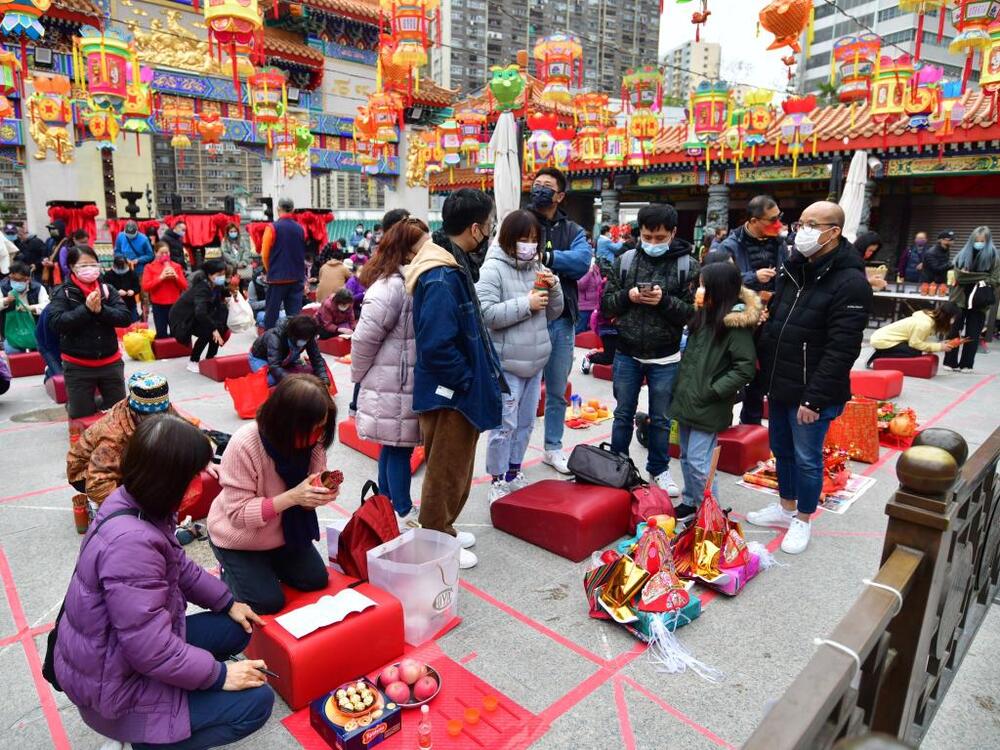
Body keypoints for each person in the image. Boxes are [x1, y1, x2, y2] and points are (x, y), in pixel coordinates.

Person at [55, 414, 274, 749]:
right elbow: (151, 650)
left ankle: (177, 704)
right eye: (194, 475)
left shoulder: (135, 500)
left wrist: (228, 602)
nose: (201, 482)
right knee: (256, 704)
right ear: (170, 479)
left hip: (122, 657)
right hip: (117, 689)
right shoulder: (131, 546)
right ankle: (149, 741)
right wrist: (219, 676)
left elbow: (179, 566)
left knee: (235, 627)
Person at [749, 201, 872, 554]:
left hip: (812, 391)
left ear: (833, 232)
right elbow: (778, 319)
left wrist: (815, 398)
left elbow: (842, 349)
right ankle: (786, 508)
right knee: (781, 450)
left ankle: (803, 518)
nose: (801, 231)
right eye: (800, 223)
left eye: (811, 225)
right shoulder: (794, 268)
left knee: (807, 457)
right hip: (780, 379)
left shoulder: (850, 282)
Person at [406, 189, 506, 569]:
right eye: (490, 224)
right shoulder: (442, 275)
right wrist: (465, 381)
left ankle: (443, 525)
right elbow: (435, 346)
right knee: (445, 468)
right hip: (449, 392)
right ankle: (434, 537)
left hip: (458, 388)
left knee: (457, 465)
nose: (492, 231)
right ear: (478, 228)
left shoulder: (453, 262)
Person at [209, 376, 337, 614]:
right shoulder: (246, 443)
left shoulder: (313, 442)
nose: (316, 436)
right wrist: (293, 497)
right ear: (285, 421)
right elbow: (238, 514)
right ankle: (230, 573)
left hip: (282, 535)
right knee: (267, 603)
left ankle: (264, 567)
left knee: (316, 580)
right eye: (310, 429)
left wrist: (318, 495)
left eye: (321, 427)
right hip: (239, 538)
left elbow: (305, 500)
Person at [601, 204, 698, 496]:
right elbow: (606, 305)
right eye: (647, 237)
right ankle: (618, 463)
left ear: (672, 233)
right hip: (627, 351)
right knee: (622, 413)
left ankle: (659, 468)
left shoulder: (688, 265)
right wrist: (628, 296)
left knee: (661, 418)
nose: (653, 243)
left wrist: (664, 301)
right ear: (639, 233)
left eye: (659, 237)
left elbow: (692, 314)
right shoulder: (625, 260)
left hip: (666, 355)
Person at [476, 210, 564, 504]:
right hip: (507, 363)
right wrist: (526, 304)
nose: (529, 245)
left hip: (536, 360)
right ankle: (497, 478)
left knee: (526, 422)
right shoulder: (493, 269)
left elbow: (554, 312)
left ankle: (514, 471)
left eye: (534, 240)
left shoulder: (537, 266)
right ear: (508, 239)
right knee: (504, 425)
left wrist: (555, 287)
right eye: (523, 239)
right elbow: (486, 314)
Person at [669, 262, 760, 522]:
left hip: (708, 403)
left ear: (718, 290)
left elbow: (745, 368)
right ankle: (690, 501)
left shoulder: (734, 324)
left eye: (703, 285)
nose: (698, 290)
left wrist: (712, 391)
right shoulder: (704, 316)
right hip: (689, 399)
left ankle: (712, 514)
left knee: (700, 462)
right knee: (686, 457)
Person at [351, 217, 427, 525]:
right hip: (393, 382)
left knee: (391, 446)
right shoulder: (392, 286)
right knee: (400, 449)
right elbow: (364, 338)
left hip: (397, 379)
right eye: (424, 243)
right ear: (407, 250)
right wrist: (360, 376)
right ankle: (403, 510)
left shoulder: (407, 280)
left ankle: (386, 504)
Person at [527, 167, 592, 474]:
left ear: (560, 195)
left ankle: (553, 448)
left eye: (546, 186)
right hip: (526, 316)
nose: (539, 190)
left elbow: (582, 263)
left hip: (562, 318)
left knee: (556, 389)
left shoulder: (573, 230)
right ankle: (514, 452)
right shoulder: (521, 221)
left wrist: (547, 258)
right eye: (536, 185)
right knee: (522, 390)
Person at [719, 196, 785, 425]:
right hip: (739, 317)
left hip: (769, 318)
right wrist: (753, 279)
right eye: (773, 219)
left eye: (779, 217)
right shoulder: (730, 245)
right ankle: (721, 423)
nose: (778, 223)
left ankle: (752, 424)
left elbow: (785, 276)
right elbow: (723, 280)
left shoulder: (778, 242)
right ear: (755, 220)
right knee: (732, 370)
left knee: (761, 373)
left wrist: (773, 300)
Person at [47, 246, 132, 419]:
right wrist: (86, 310)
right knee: (81, 413)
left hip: (110, 361)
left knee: (118, 411)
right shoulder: (63, 292)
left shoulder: (107, 290)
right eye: (83, 265)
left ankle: (98, 401)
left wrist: (101, 310)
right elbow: (56, 323)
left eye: (93, 264)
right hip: (78, 365)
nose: (89, 269)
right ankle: (76, 402)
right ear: (72, 266)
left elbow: (124, 317)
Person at [66, 371, 176, 503]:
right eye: (150, 418)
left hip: (118, 458)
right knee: (145, 486)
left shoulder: (158, 407)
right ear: (135, 412)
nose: (158, 421)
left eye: (162, 415)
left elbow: (178, 425)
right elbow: (98, 486)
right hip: (85, 473)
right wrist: (132, 509)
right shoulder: (113, 436)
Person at [944, 226, 1000, 373]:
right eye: (976, 240)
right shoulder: (963, 254)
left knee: (973, 333)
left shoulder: (994, 256)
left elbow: (995, 280)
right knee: (953, 330)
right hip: (959, 298)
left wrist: (970, 276)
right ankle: (950, 362)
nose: (979, 243)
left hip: (979, 300)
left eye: (982, 241)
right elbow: (959, 276)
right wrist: (983, 276)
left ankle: (967, 364)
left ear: (988, 241)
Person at [169, 259, 230, 373]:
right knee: (208, 331)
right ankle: (193, 361)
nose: (222, 277)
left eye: (223, 274)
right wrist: (213, 329)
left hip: (197, 314)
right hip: (183, 319)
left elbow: (218, 302)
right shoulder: (202, 289)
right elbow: (200, 313)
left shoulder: (215, 285)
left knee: (219, 327)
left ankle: (210, 359)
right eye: (219, 274)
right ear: (209, 275)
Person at [249, 314, 330, 387]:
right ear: (292, 334)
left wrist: (323, 378)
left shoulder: (308, 336)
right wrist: (293, 382)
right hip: (261, 358)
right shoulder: (275, 337)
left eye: (307, 339)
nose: (305, 341)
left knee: (310, 373)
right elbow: (274, 366)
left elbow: (316, 358)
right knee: (271, 381)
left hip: (285, 357)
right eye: (303, 339)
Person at [868, 303, 961, 367]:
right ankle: (879, 358)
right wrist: (939, 347)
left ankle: (882, 353)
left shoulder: (928, 317)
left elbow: (918, 339)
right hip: (883, 340)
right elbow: (915, 343)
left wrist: (941, 344)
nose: (953, 321)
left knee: (916, 351)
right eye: (953, 318)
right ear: (947, 317)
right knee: (914, 352)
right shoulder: (925, 324)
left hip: (885, 338)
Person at [261, 198, 306, 329]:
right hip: (297, 277)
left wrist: (271, 270)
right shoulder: (300, 228)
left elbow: (264, 254)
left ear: (278, 209)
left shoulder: (272, 228)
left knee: (271, 315)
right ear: (293, 210)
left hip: (277, 279)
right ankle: (294, 345)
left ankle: (270, 343)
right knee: (294, 317)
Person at [1, 260, 49, 353]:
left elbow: (47, 307)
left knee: (42, 350)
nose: (15, 282)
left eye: (18, 280)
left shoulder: (38, 288)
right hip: (12, 332)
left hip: (35, 330)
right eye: (12, 279)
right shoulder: (3, 287)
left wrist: (31, 308)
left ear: (28, 279)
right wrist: (6, 301)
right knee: (12, 351)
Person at [143, 241, 189, 338]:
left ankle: (176, 352)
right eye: (161, 253)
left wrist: (176, 277)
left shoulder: (176, 266)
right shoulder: (149, 267)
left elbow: (185, 286)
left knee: (176, 333)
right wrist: (161, 277)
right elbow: (146, 287)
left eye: (167, 252)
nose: (164, 255)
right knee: (161, 333)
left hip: (175, 305)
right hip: (158, 305)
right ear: (155, 253)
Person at [103, 253, 141, 322]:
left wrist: (133, 291)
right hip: (114, 304)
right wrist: (116, 292)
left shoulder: (132, 273)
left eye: (123, 266)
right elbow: (105, 289)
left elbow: (137, 287)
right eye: (118, 266)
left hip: (130, 303)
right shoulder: (108, 275)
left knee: (133, 322)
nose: (121, 268)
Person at [221, 222, 253, 292]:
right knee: (231, 286)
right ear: (228, 232)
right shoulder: (225, 241)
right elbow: (225, 253)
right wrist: (235, 263)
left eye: (235, 231)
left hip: (242, 267)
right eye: (231, 231)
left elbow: (247, 251)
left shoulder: (242, 240)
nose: (233, 233)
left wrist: (243, 261)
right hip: (230, 268)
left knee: (242, 286)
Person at [576, 259, 603, 335]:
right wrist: (589, 272)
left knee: (590, 331)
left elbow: (599, 284)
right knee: (579, 330)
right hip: (584, 307)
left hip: (594, 307)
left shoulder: (596, 271)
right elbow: (580, 285)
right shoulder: (581, 271)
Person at [44, 219, 70, 285]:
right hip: (51, 278)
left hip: (62, 279)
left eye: (53, 230)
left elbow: (67, 263)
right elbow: (45, 254)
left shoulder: (67, 243)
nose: (51, 232)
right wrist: (45, 260)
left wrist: (54, 264)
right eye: (50, 229)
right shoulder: (50, 241)